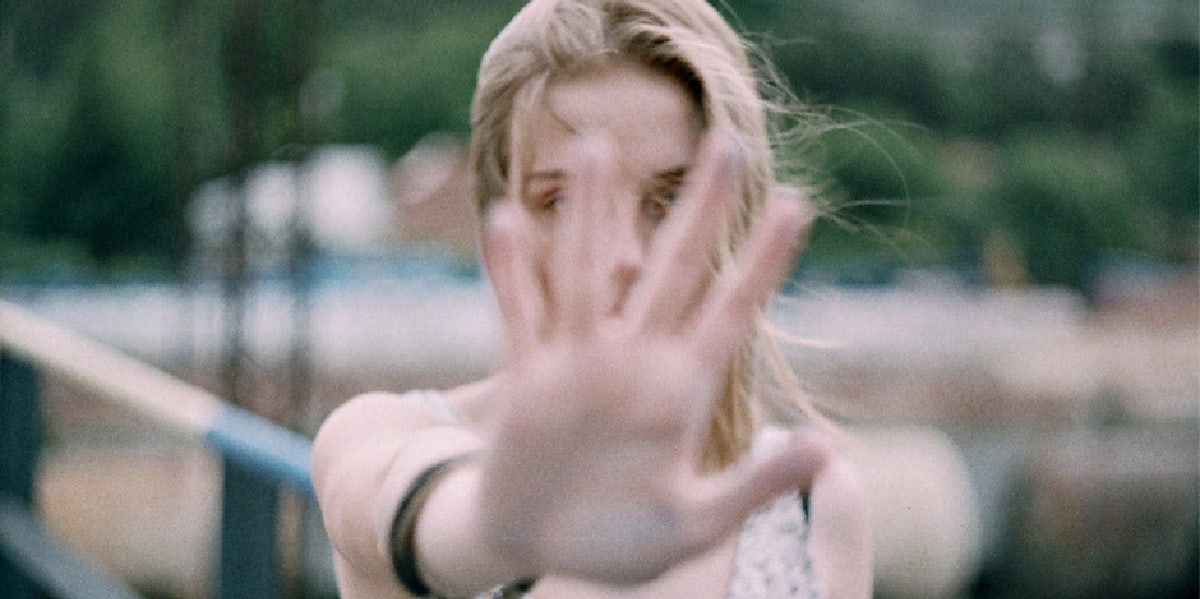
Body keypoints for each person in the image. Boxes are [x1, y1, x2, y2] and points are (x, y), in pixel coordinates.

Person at [311, 1, 872, 597]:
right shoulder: (378, 436)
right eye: (565, 200)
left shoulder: (807, 503)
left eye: (672, 200)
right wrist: (496, 529)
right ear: (495, 224)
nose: (623, 254)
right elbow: (403, 500)